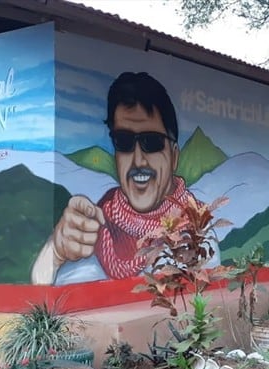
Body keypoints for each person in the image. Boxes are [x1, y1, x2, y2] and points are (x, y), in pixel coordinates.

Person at [31, 72, 198, 285]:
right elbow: (41, 302)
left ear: (174, 156)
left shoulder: (197, 232)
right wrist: (54, 252)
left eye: (152, 142)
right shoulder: (95, 229)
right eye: (124, 141)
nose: (138, 160)